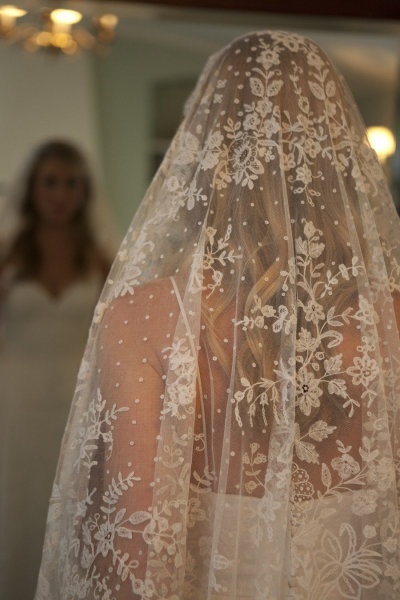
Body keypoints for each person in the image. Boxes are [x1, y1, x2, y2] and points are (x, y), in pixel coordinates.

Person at [35, 32, 400, 599]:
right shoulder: (391, 316)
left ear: (203, 147)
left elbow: (135, 567)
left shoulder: (142, 319)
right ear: (337, 146)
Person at [0, 140, 112, 600]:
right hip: (15, 398)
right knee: (17, 503)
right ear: (32, 188)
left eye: (70, 183)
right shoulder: (9, 253)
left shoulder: (100, 258)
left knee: (69, 507)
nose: (60, 194)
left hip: (77, 398)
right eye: (50, 182)